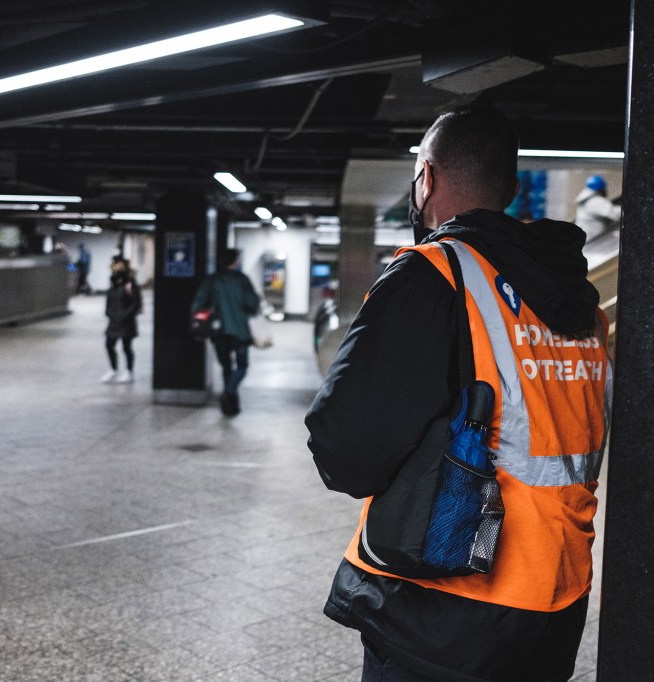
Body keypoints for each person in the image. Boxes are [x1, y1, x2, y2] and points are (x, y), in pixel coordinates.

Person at [305, 107, 613, 681]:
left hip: (447, 600)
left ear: (426, 178)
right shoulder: (584, 306)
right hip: (557, 597)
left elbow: (346, 452)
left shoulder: (435, 273)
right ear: (512, 189)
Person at [191, 248, 260, 416]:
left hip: (219, 331)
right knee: (242, 366)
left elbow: (198, 304)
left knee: (226, 367)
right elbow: (252, 303)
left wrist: (200, 322)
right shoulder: (242, 280)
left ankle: (230, 407)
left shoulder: (212, 280)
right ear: (234, 262)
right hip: (240, 332)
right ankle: (229, 392)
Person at [102, 267, 142, 383]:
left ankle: (129, 371)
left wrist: (125, 315)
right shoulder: (112, 288)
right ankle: (113, 369)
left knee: (126, 347)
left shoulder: (130, 287)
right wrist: (110, 314)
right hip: (114, 322)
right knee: (109, 344)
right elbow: (108, 304)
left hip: (126, 322)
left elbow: (136, 304)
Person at [574, 174, 621, 242]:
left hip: (585, 240)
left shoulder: (586, 201)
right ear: (601, 189)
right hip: (590, 241)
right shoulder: (595, 201)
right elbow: (614, 214)